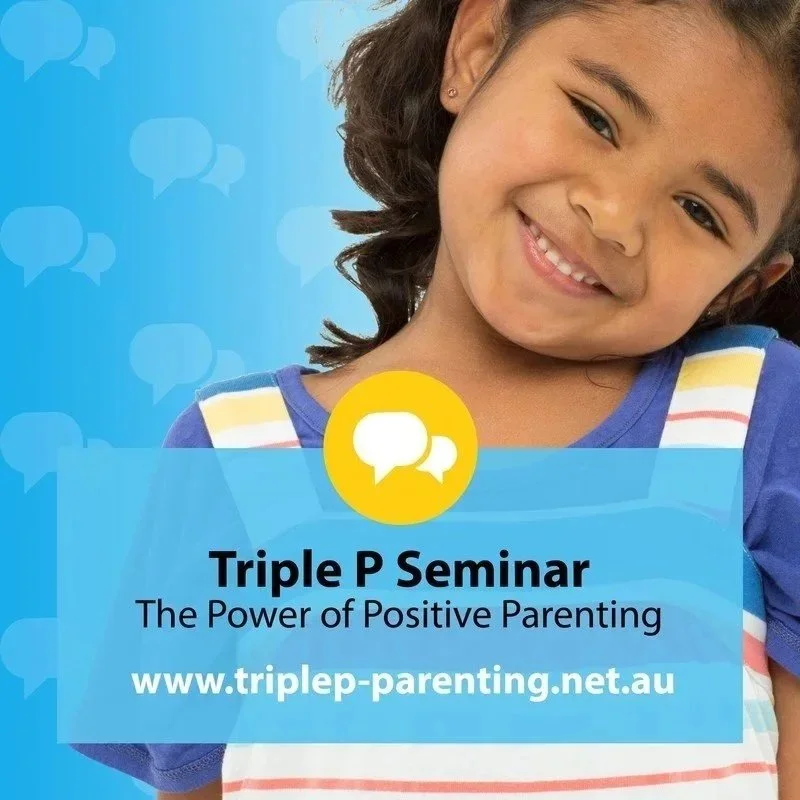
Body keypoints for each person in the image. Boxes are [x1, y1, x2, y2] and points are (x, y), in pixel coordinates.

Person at [74, 0, 800, 797]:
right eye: (596, 117)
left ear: (742, 285)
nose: (615, 215)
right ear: (477, 49)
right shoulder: (233, 455)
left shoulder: (757, 422)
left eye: (699, 210)